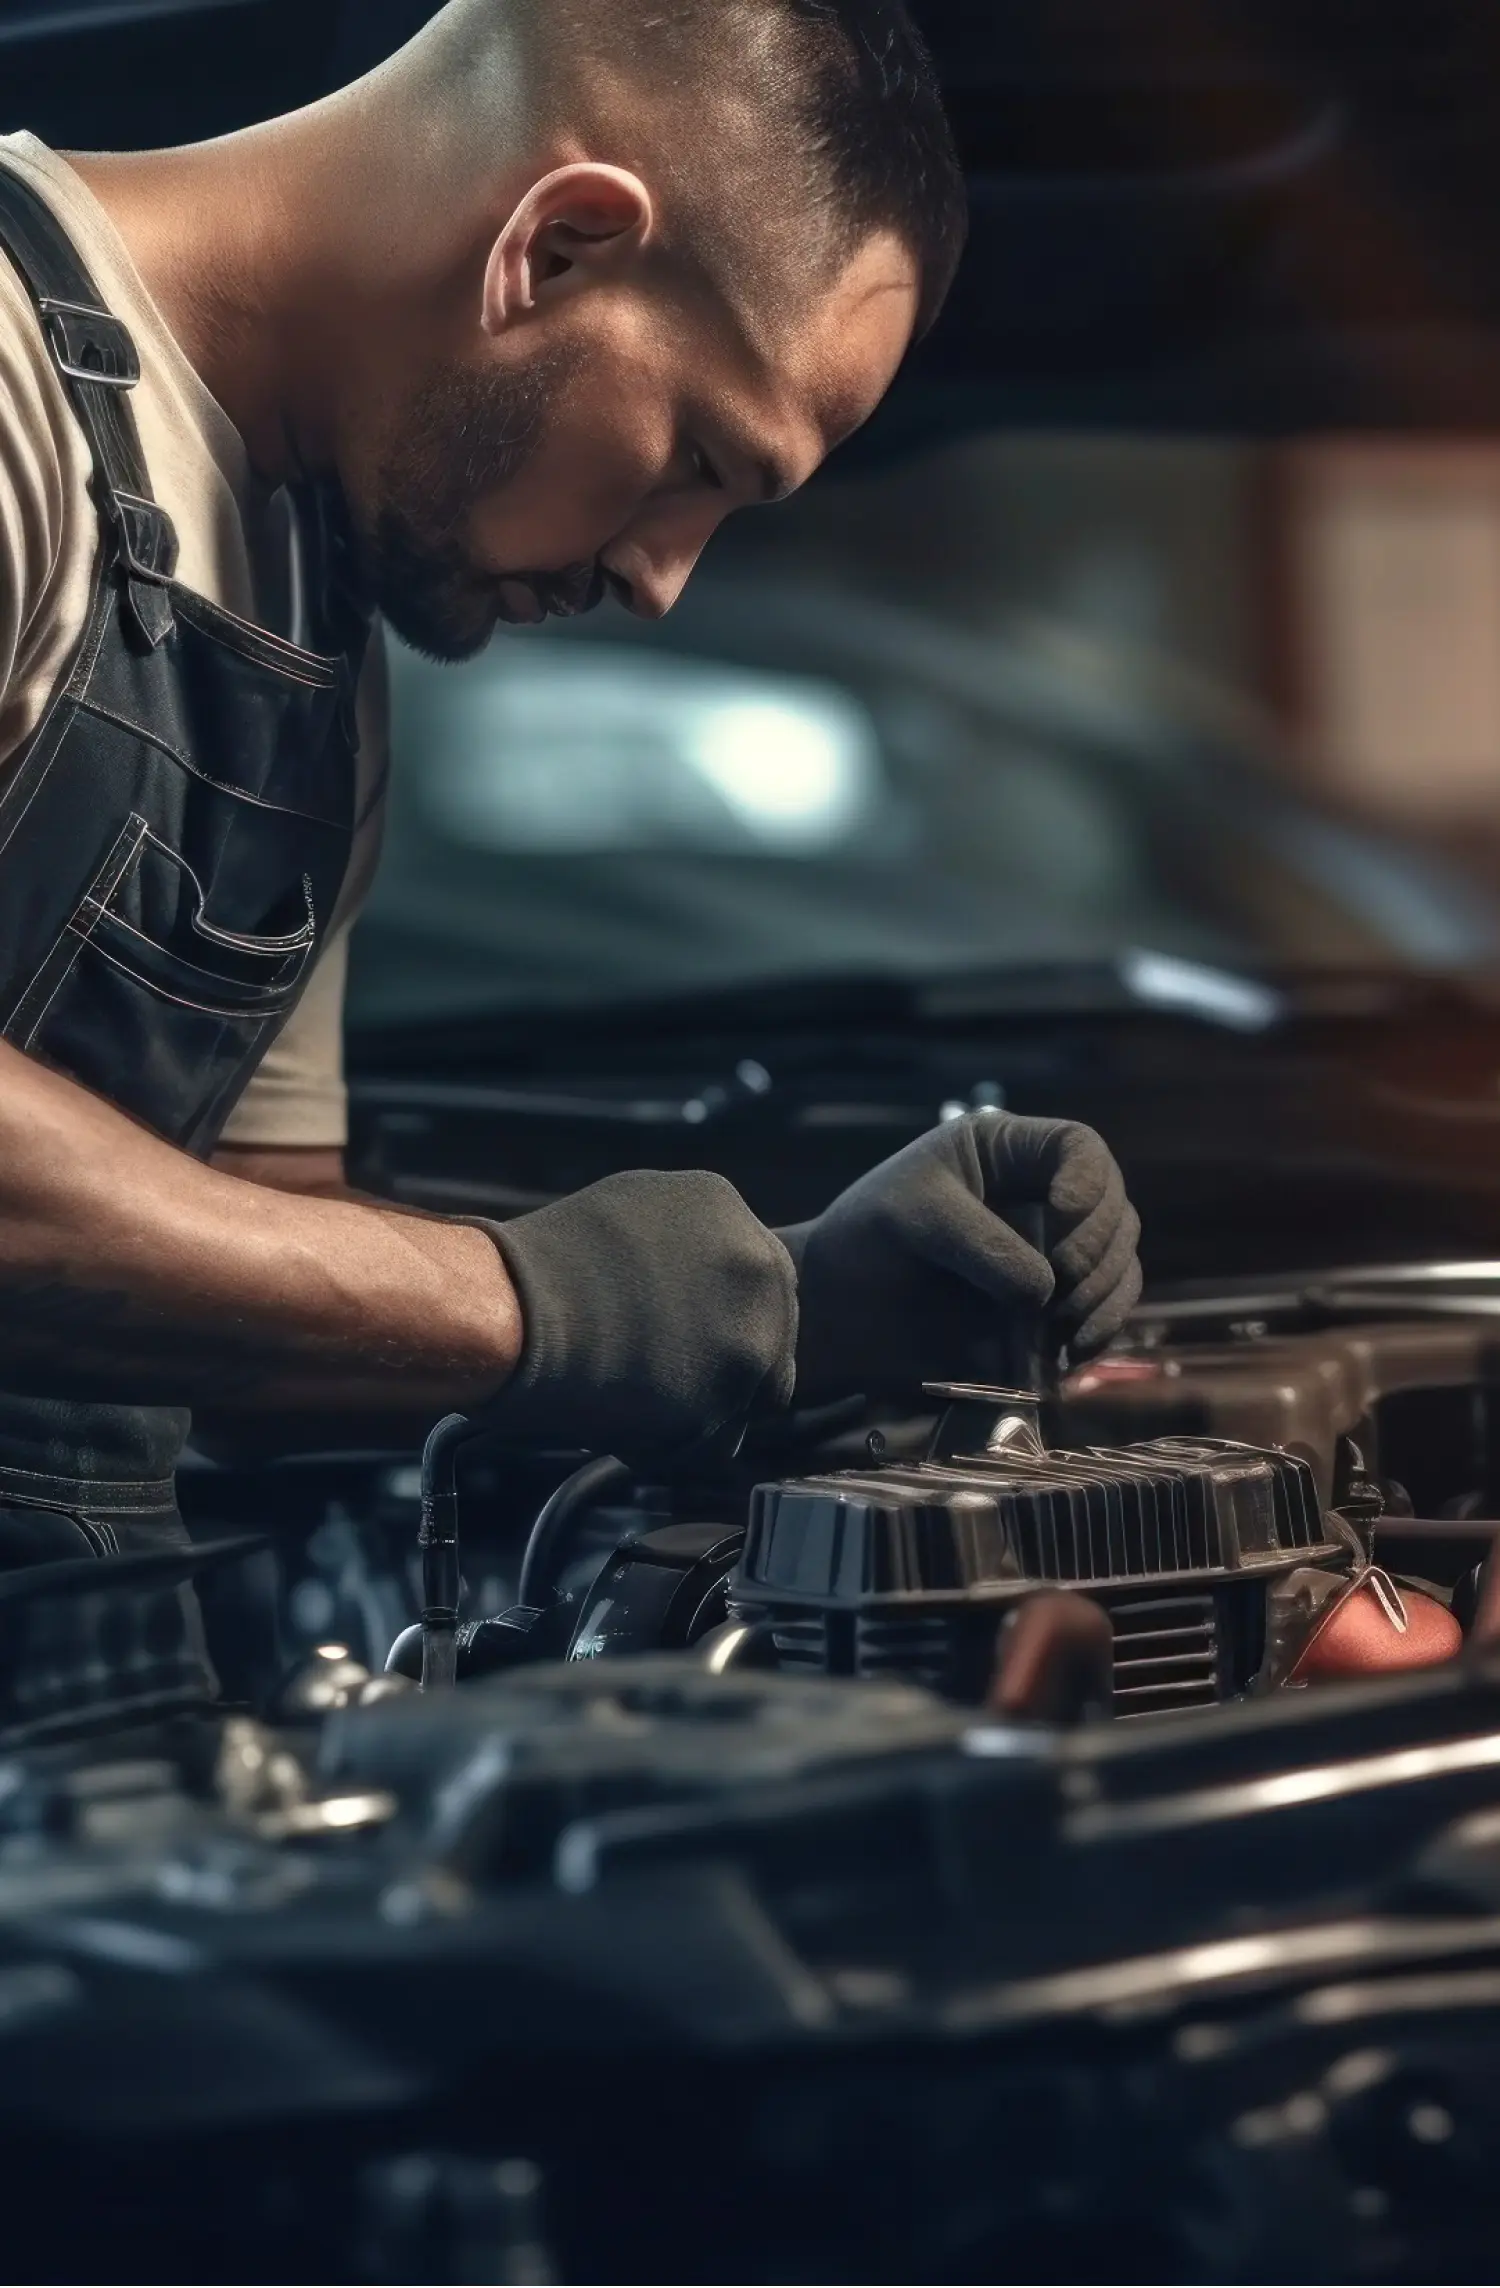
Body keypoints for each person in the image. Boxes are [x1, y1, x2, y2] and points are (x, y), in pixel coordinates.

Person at [0, 0, 1140, 1651]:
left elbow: (253, 1309)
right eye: (697, 461)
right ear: (557, 247)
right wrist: (574, 1299)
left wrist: (808, 1315)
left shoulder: (314, 619)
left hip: (93, 1744)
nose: (663, 580)